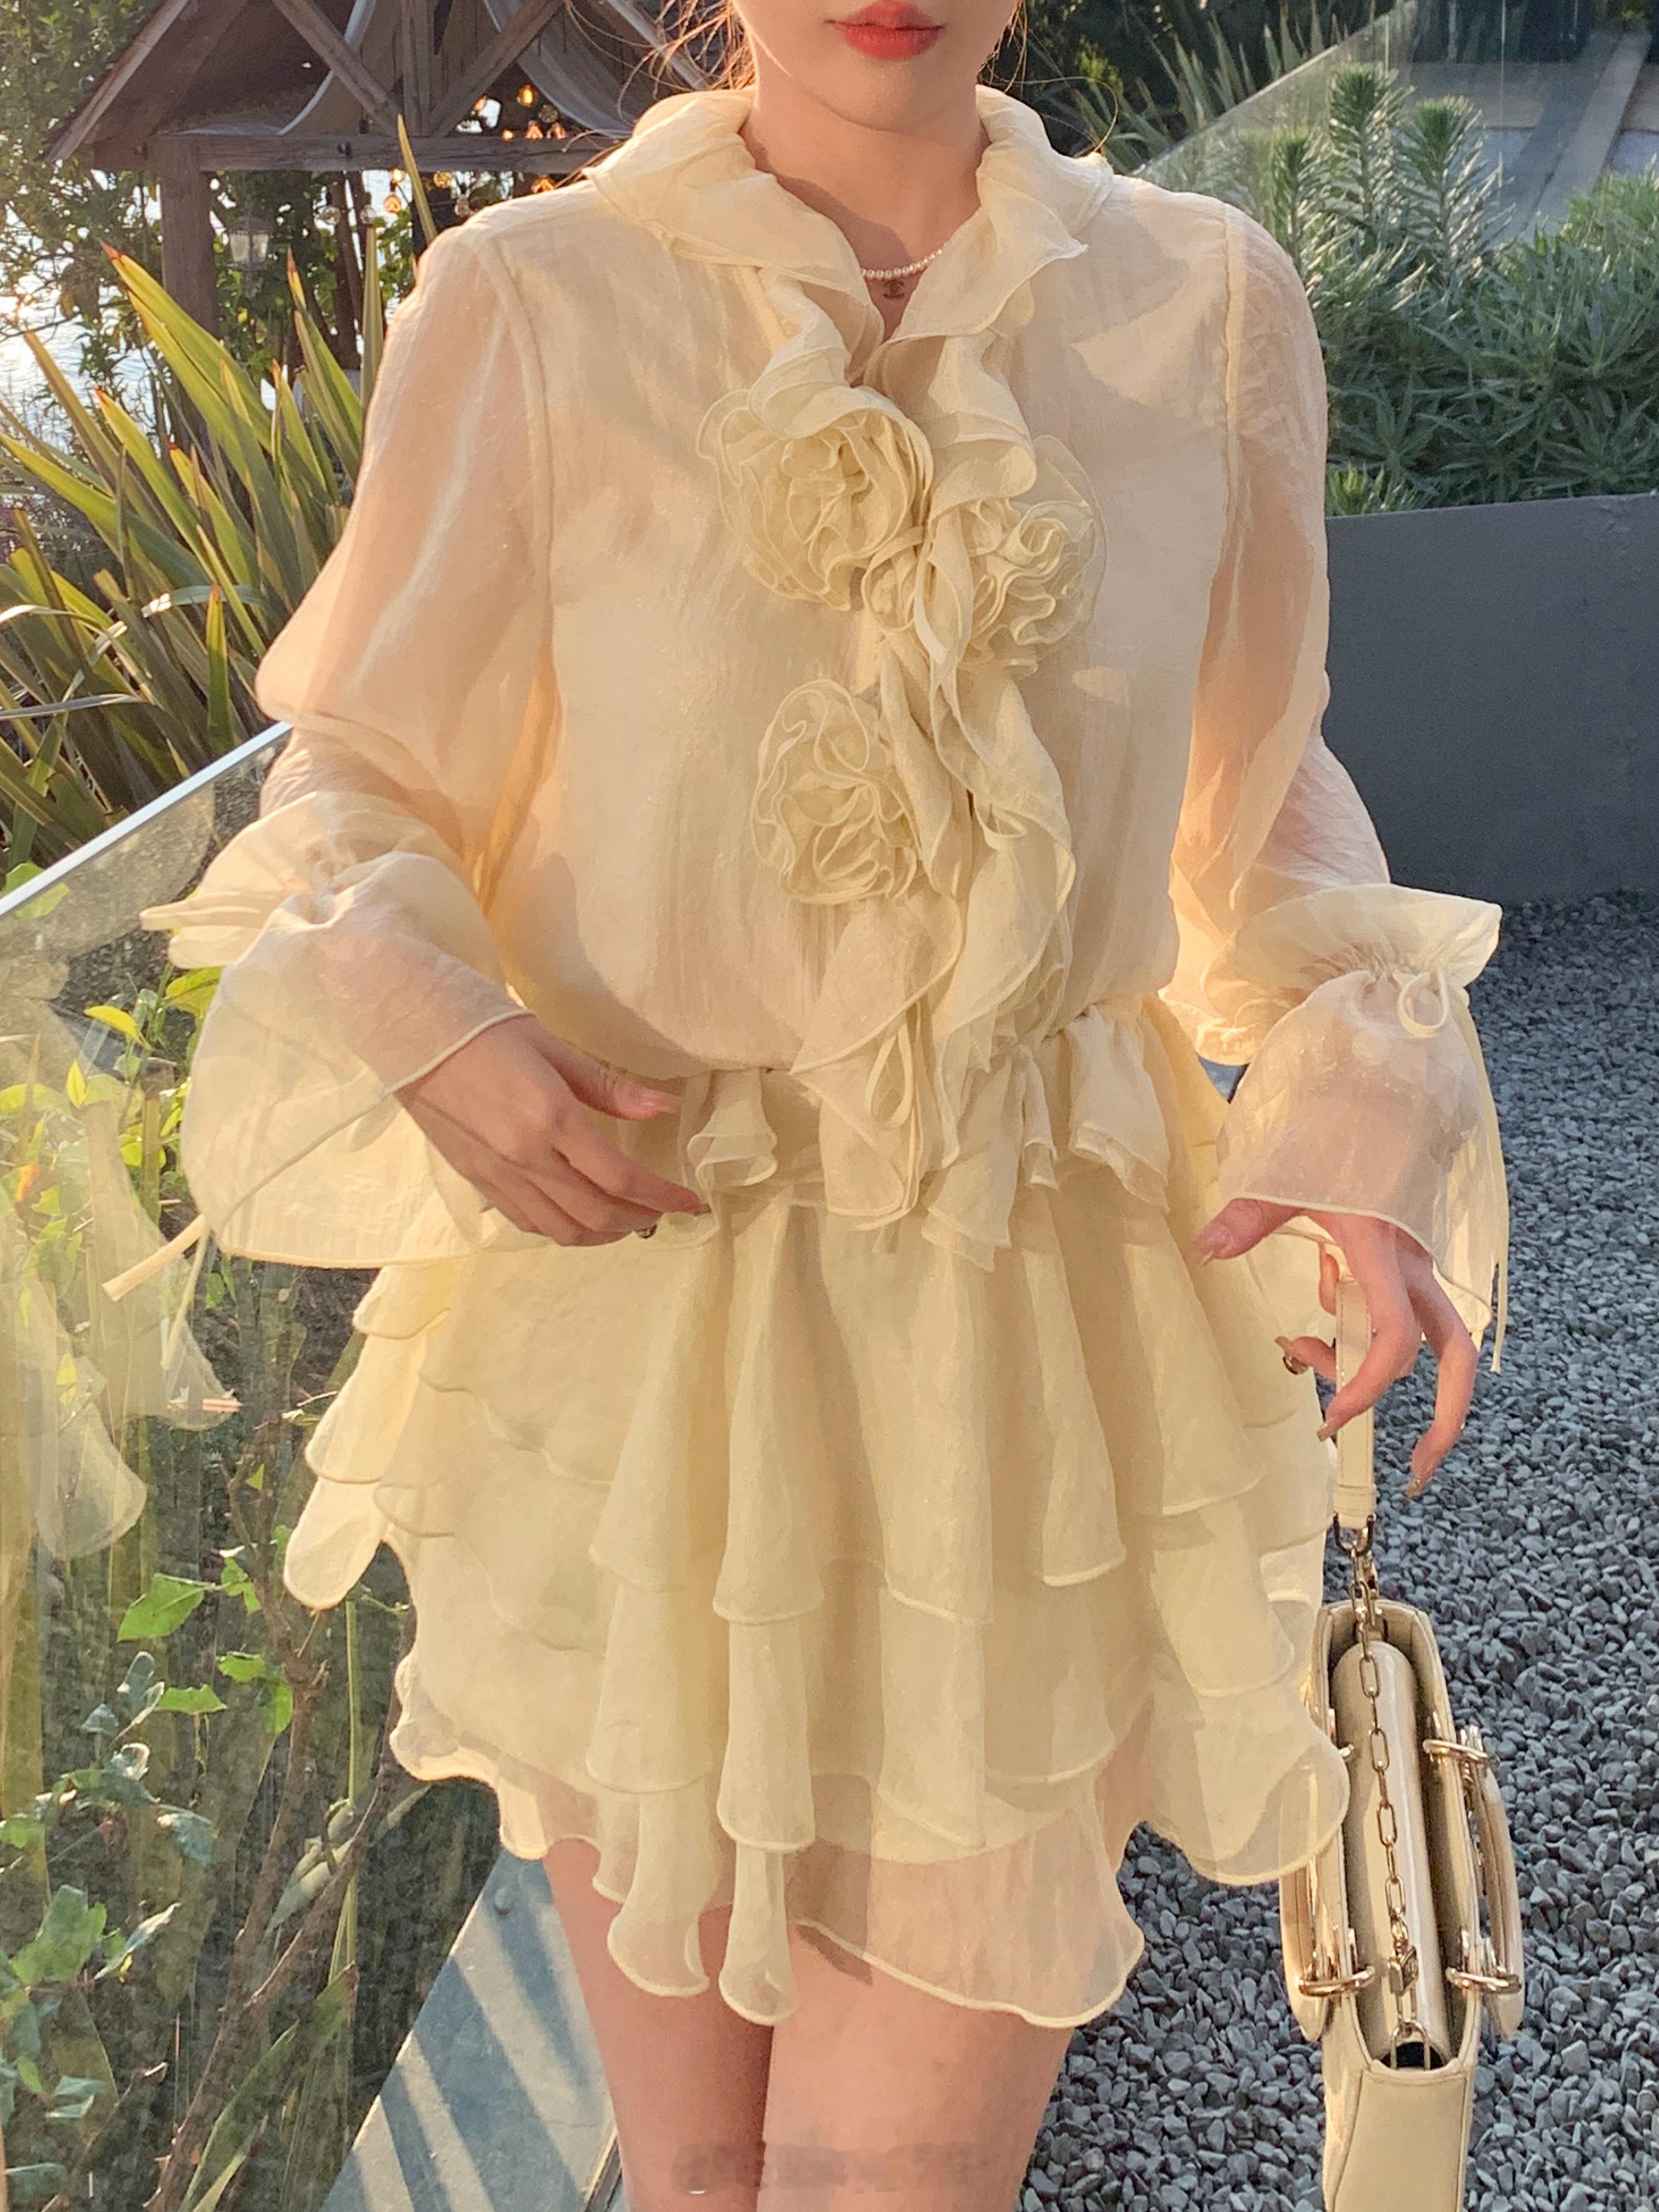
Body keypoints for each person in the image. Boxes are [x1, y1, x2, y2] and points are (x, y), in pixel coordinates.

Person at [142, 0, 1511, 2204]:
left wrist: (1361, 1086)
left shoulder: (1201, 304)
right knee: (695, 2174)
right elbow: (358, 774)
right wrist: (423, 1008)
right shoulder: (530, 303)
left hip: (1026, 1346)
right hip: (639, 1328)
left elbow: (1257, 786)